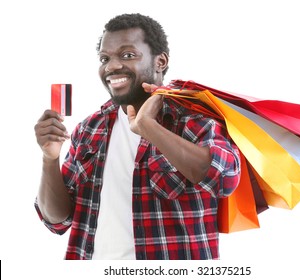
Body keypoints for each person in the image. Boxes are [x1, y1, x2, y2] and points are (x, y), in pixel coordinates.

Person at [34, 13, 241, 260]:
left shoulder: (194, 119)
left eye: (127, 55)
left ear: (160, 61)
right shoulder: (89, 129)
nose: (111, 66)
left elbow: (225, 180)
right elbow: (57, 220)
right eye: (104, 58)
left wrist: (148, 127)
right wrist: (49, 159)